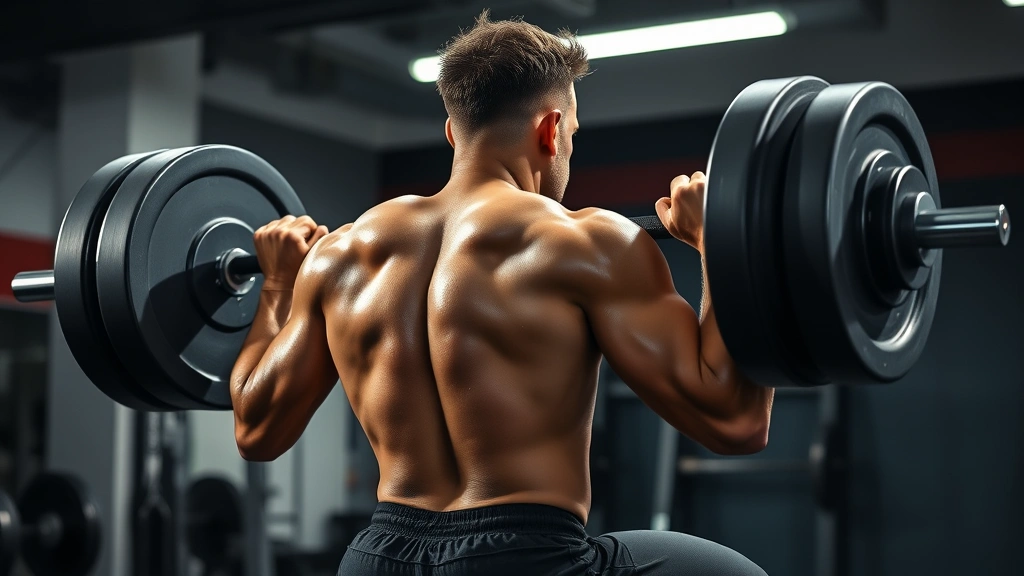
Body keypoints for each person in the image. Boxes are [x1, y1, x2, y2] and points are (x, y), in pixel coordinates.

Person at [230, 11, 773, 576]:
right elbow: (735, 421)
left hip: (378, 557)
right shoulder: (588, 242)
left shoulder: (339, 254)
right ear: (550, 130)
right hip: (523, 558)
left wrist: (277, 284)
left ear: (452, 131)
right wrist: (727, 248)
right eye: (572, 134)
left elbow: (255, 431)